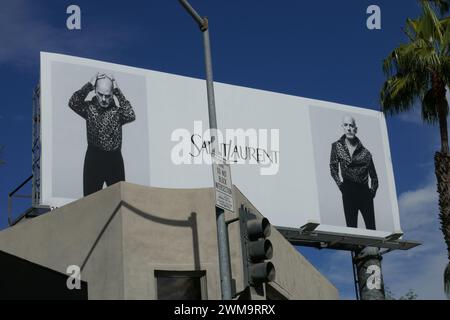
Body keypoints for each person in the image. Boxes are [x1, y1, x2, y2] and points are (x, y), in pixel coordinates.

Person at [69, 73, 136, 196]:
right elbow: (73, 102)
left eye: (108, 95)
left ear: (112, 94)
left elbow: (130, 114)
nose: (104, 99)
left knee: (120, 200)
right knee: (90, 201)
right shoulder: (89, 108)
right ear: (95, 91)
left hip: (114, 160)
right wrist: (89, 85)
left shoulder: (117, 112)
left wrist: (117, 91)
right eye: (100, 95)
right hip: (94, 158)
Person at [329, 115, 378, 230]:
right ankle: (355, 248)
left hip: (364, 191)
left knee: (371, 229)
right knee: (351, 228)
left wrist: (371, 193)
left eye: (351, 125)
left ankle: (373, 247)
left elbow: (374, 177)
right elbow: (333, 168)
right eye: (346, 125)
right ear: (343, 127)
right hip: (348, 189)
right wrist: (342, 186)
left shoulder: (366, 153)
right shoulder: (337, 146)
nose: (349, 128)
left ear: (356, 128)